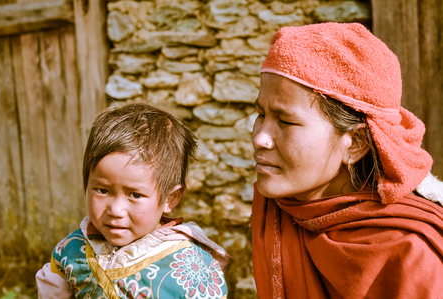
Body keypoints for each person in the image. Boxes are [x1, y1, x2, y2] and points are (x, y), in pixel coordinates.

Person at [251, 22, 443, 298]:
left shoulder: (412, 255)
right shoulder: (284, 208)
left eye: (285, 121)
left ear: (355, 143)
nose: (260, 138)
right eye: (261, 115)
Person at [36, 103, 231, 298]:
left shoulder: (191, 269)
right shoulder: (71, 250)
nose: (116, 210)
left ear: (169, 199)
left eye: (135, 195)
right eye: (102, 190)